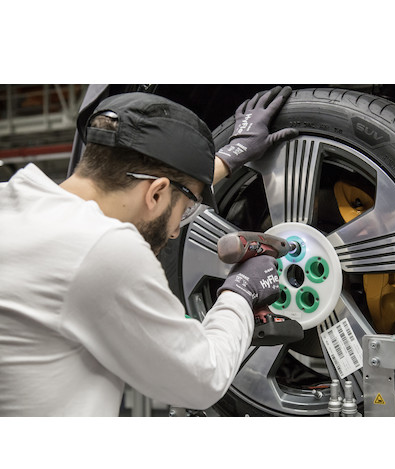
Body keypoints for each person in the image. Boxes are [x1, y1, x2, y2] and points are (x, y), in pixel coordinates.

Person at [0, 86, 298, 416]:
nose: (176, 231)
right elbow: (203, 379)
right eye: (185, 210)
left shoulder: (14, 203)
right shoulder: (103, 250)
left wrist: (229, 157)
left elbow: (153, 187)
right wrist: (241, 292)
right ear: (155, 194)